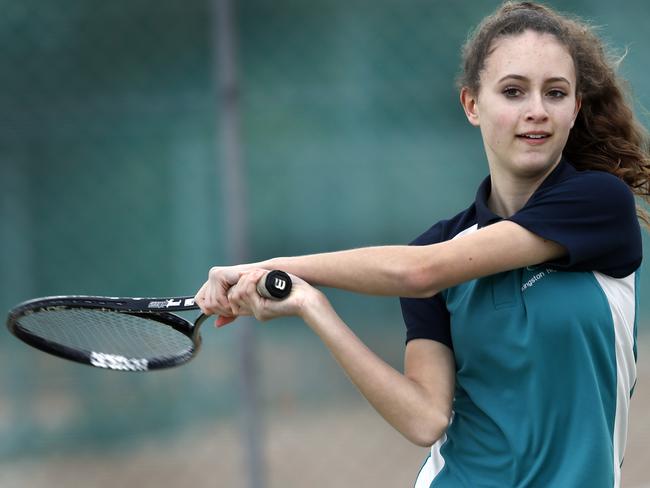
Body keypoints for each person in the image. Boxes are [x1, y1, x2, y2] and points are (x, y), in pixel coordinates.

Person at [195, 2, 650, 486]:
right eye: (513, 91)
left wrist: (273, 265)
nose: (536, 110)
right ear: (472, 104)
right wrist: (312, 306)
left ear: (575, 107)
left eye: (555, 93)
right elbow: (424, 419)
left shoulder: (600, 205)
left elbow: (419, 271)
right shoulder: (438, 245)